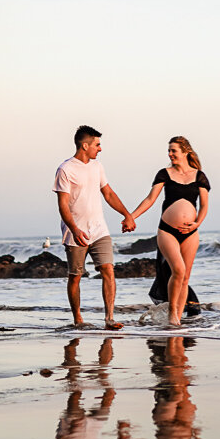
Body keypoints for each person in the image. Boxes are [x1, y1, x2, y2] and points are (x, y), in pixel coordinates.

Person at [123, 137, 210, 327]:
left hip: (190, 232)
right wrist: (131, 216)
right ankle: (172, 315)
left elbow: (204, 206)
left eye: (173, 151)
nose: (170, 154)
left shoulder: (199, 176)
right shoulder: (165, 173)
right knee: (177, 270)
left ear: (185, 151)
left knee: (185, 277)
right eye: (169, 151)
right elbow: (150, 199)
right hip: (167, 230)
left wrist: (196, 224)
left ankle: (177, 319)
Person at [55, 126, 135, 329]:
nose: (100, 149)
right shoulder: (65, 169)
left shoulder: (97, 166)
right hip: (76, 232)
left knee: (108, 269)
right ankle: (78, 319)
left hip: (99, 229)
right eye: (97, 145)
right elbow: (63, 204)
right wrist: (74, 229)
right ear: (85, 145)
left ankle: (109, 318)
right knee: (75, 276)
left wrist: (127, 215)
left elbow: (108, 193)